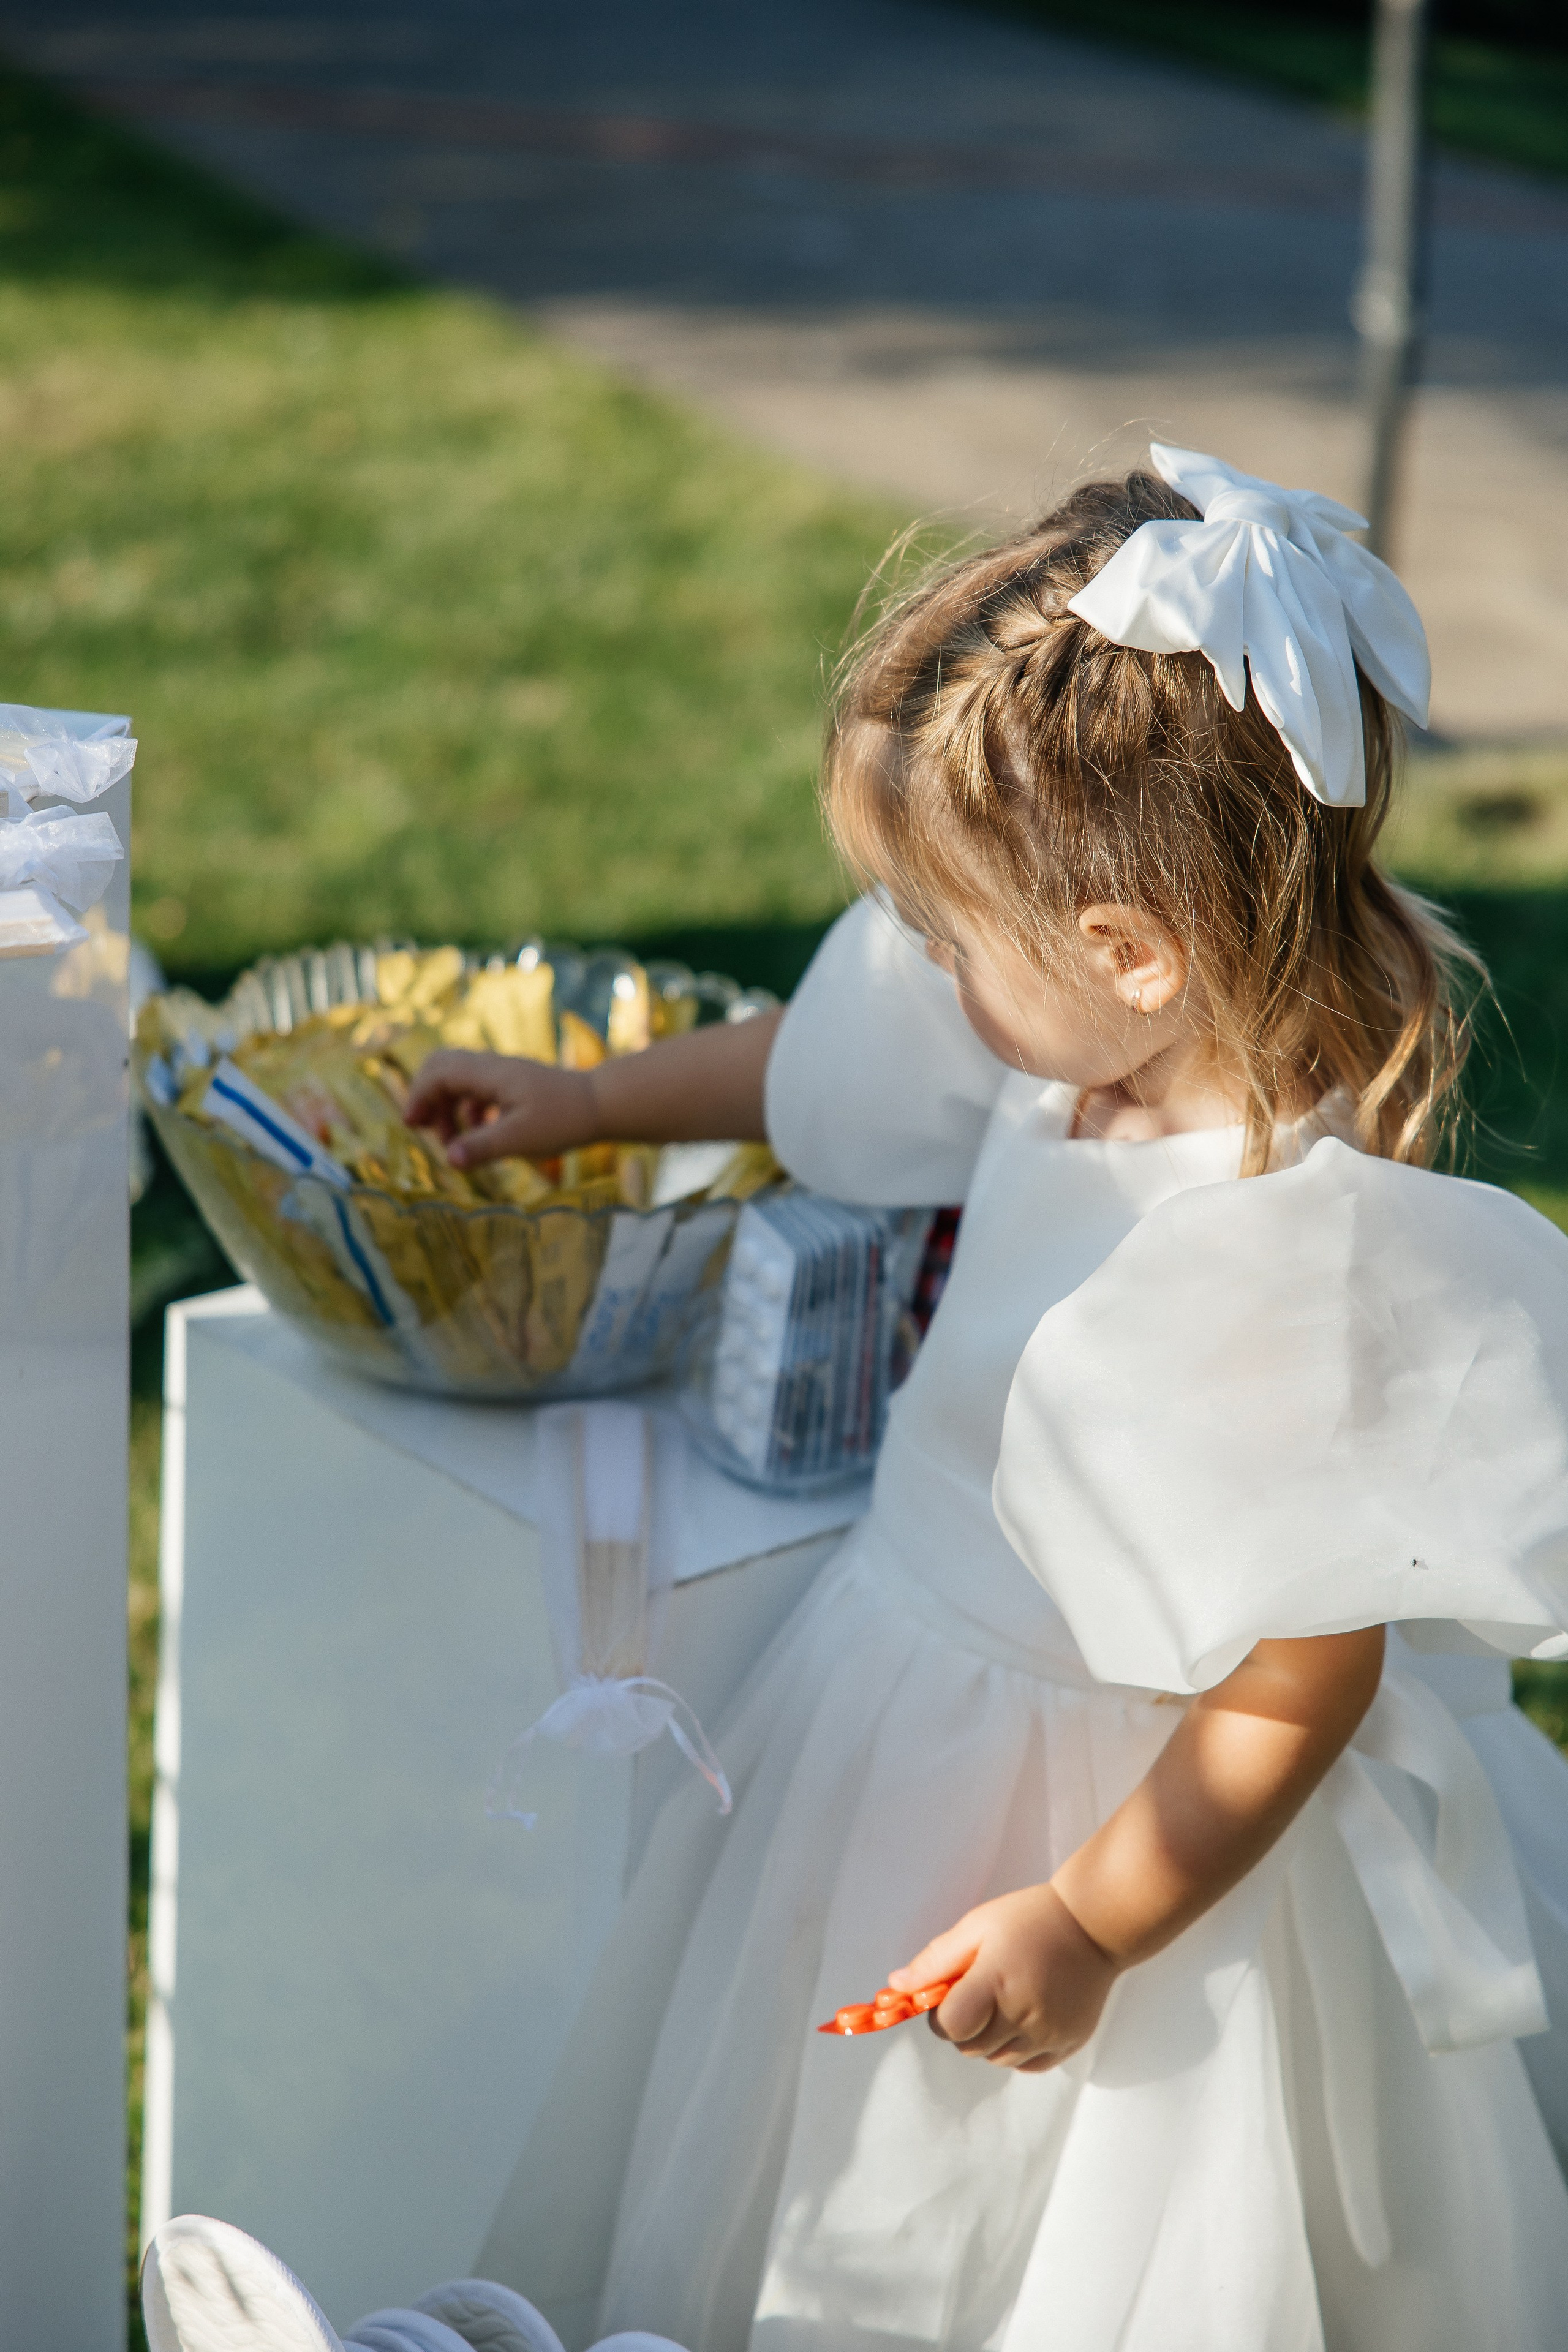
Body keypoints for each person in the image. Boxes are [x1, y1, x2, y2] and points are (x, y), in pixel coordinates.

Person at [405, 448, 1568, 2352]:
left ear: (1129, 949)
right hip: (899, 1705)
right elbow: (829, 1055)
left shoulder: (1287, 1247)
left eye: (953, 946)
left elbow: (1301, 1679)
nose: (924, 976)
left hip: (1148, 1835)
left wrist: (1095, 1921)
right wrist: (595, 1104)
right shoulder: (1079, 1040)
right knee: (841, 2191)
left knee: (1079, 2245)